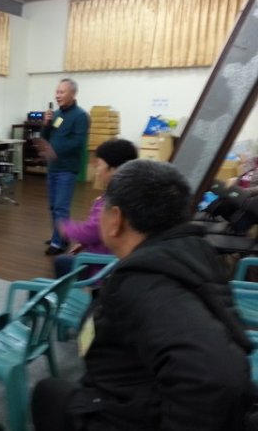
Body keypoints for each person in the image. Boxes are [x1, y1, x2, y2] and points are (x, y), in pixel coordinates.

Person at [32, 159, 257, 431]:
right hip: (139, 386)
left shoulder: (146, 284)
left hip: (131, 412)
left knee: (47, 395)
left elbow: (218, 378)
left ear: (116, 219)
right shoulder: (191, 250)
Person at [53, 139, 138, 278]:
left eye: (99, 165)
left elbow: (94, 230)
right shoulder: (131, 192)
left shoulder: (113, 200)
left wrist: (66, 228)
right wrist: (83, 243)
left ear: (114, 170)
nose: (97, 171)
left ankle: (85, 290)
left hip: (104, 266)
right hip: (115, 259)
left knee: (62, 262)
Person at [38, 79, 90, 255]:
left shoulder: (80, 116)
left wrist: (54, 150)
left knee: (61, 207)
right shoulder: (57, 114)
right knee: (53, 206)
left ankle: (58, 243)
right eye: (57, 92)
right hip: (53, 167)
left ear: (73, 94)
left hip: (67, 169)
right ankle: (60, 236)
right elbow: (46, 136)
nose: (57, 95)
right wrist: (46, 123)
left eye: (62, 92)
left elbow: (78, 142)